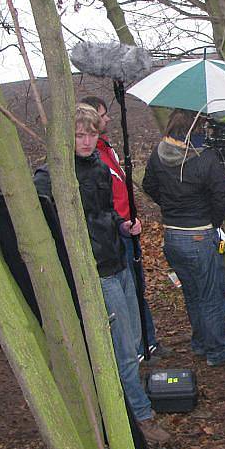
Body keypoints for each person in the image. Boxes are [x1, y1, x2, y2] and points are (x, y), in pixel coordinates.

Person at [34, 104, 169, 443]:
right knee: (123, 348)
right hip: (95, 273)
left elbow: (105, 213)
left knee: (136, 339)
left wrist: (124, 227)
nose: (86, 141)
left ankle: (129, 399)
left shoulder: (97, 166)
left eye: (91, 134)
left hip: (117, 261)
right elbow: (45, 220)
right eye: (79, 135)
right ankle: (141, 417)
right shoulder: (52, 174)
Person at [142, 109, 225, 367]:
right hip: (199, 234)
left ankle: (200, 343)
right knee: (211, 295)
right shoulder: (206, 158)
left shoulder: (158, 154)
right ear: (197, 130)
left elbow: (148, 185)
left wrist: (171, 206)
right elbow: (222, 198)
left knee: (193, 294)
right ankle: (218, 351)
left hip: (172, 236)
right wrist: (211, 220)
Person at [80, 95, 167, 359]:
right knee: (125, 297)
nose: (107, 119)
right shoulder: (92, 157)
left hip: (123, 229)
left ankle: (145, 342)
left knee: (136, 289)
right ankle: (138, 348)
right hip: (110, 240)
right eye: (103, 115)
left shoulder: (105, 150)